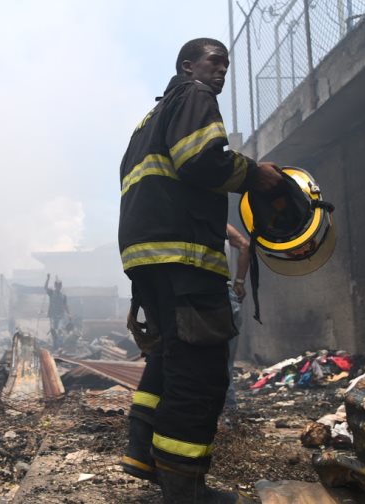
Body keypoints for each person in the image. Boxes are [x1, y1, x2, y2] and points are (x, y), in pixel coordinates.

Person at [117, 38, 281, 502]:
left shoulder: (147, 121)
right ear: (188, 66)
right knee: (201, 371)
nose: (222, 72)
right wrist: (255, 174)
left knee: (169, 359)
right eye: (215, 62)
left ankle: (143, 457)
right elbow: (200, 160)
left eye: (227, 65)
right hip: (184, 258)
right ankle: (185, 490)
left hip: (148, 259)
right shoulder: (194, 96)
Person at [224, 223, 250, 414]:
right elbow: (244, 245)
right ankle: (229, 420)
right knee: (225, 366)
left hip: (199, 297)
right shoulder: (221, 225)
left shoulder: (187, 220)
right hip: (227, 295)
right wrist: (239, 282)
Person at [44, 274, 70, 350]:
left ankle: (60, 346)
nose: (58, 286)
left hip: (60, 316)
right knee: (53, 331)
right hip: (52, 315)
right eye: (57, 285)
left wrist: (69, 314)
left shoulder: (63, 296)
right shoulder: (51, 293)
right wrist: (48, 279)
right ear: (55, 286)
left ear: (61, 286)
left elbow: (65, 306)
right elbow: (45, 288)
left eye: (60, 285)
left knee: (59, 330)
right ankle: (55, 346)